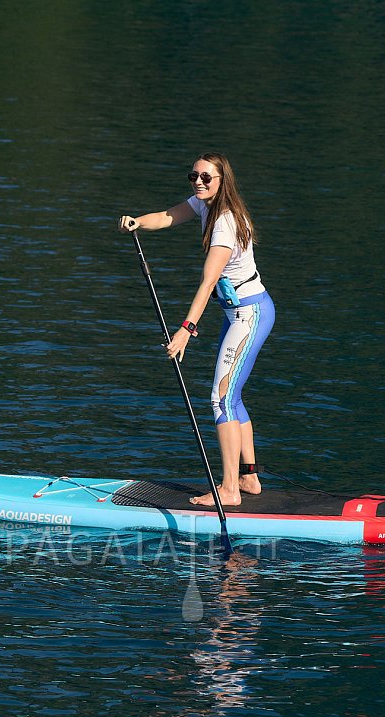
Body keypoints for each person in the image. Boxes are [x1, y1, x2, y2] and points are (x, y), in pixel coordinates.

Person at [118, 152, 275, 508]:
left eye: (207, 177)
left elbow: (207, 283)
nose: (199, 182)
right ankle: (249, 478)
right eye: (194, 176)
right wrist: (137, 223)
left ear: (223, 181)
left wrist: (186, 330)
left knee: (220, 400)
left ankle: (230, 490)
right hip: (239, 315)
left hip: (249, 315)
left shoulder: (224, 224)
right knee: (231, 396)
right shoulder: (205, 205)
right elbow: (167, 216)